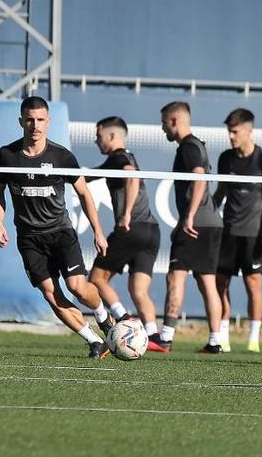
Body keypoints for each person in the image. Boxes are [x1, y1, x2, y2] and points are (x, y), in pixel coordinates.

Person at [0, 97, 113, 359]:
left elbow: (83, 193)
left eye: (40, 120)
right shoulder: (6, 156)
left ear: (48, 122)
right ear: (21, 121)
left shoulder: (62, 156)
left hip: (60, 233)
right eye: (30, 120)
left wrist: (98, 231)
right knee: (50, 293)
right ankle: (94, 341)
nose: (35, 125)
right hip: (29, 239)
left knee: (78, 287)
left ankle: (103, 317)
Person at [88, 116, 164, 351]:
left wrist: (126, 213)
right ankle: (155, 336)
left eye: (99, 136)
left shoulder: (118, 158)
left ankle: (123, 320)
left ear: (112, 136)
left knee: (96, 279)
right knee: (138, 290)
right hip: (152, 230)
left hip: (132, 228)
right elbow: (87, 176)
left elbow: (131, 176)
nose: (96, 141)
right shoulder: (120, 158)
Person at [159, 101, 224, 353]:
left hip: (196, 223)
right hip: (209, 223)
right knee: (207, 282)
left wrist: (188, 216)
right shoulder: (194, 145)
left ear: (174, 121)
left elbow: (199, 177)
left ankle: (165, 338)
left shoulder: (189, 146)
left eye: (164, 122)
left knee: (175, 275)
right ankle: (216, 341)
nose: (162, 127)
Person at [213, 108, 262, 353]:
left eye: (235, 131)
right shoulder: (225, 158)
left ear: (249, 130)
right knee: (221, 285)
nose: (231, 136)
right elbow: (220, 192)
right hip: (227, 232)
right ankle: (224, 338)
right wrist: (206, 213)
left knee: (253, 285)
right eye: (229, 131)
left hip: (254, 233)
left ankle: (253, 340)